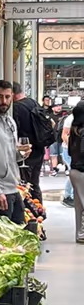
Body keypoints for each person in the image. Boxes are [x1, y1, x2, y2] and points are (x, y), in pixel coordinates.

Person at [0, 80, 30, 224]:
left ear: (12, 97)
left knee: (19, 234)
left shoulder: (10, 121)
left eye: (7, 97)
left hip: (13, 188)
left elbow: (10, 154)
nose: (3, 101)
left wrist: (21, 154)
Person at [12, 83, 50, 203]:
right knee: (35, 182)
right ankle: (39, 210)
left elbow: (14, 130)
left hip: (26, 151)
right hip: (39, 148)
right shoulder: (33, 102)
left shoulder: (16, 108)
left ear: (12, 94)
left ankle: (30, 211)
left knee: (26, 184)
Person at [65, 102, 84, 242]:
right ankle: (82, 234)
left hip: (75, 170)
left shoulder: (74, 129)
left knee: (79, 205)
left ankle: (80, 234)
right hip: (83, 169)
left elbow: (71, 152)